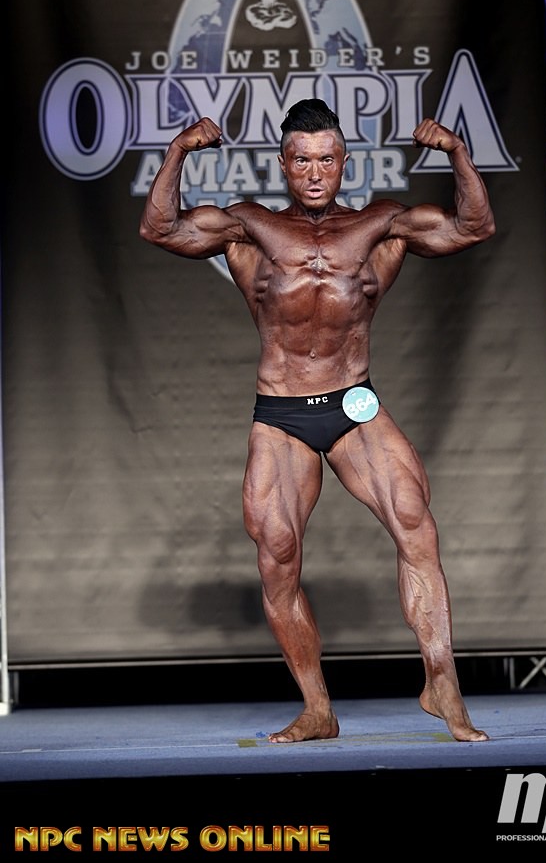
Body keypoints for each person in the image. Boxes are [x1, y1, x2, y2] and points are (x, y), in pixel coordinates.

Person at [140, 98, 496, 743]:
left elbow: (473, 226)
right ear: (283, 164)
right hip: (281, 411)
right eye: (302, 160)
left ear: (343, 162)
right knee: (277, 554)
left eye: (326, 160)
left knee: (415, 523)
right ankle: (317, 709)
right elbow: (161, 229)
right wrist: (178, 151)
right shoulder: (250, 228)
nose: (314, 172)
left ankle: (441, 679)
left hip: (353, 401)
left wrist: (457, 153)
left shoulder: (381, 225)